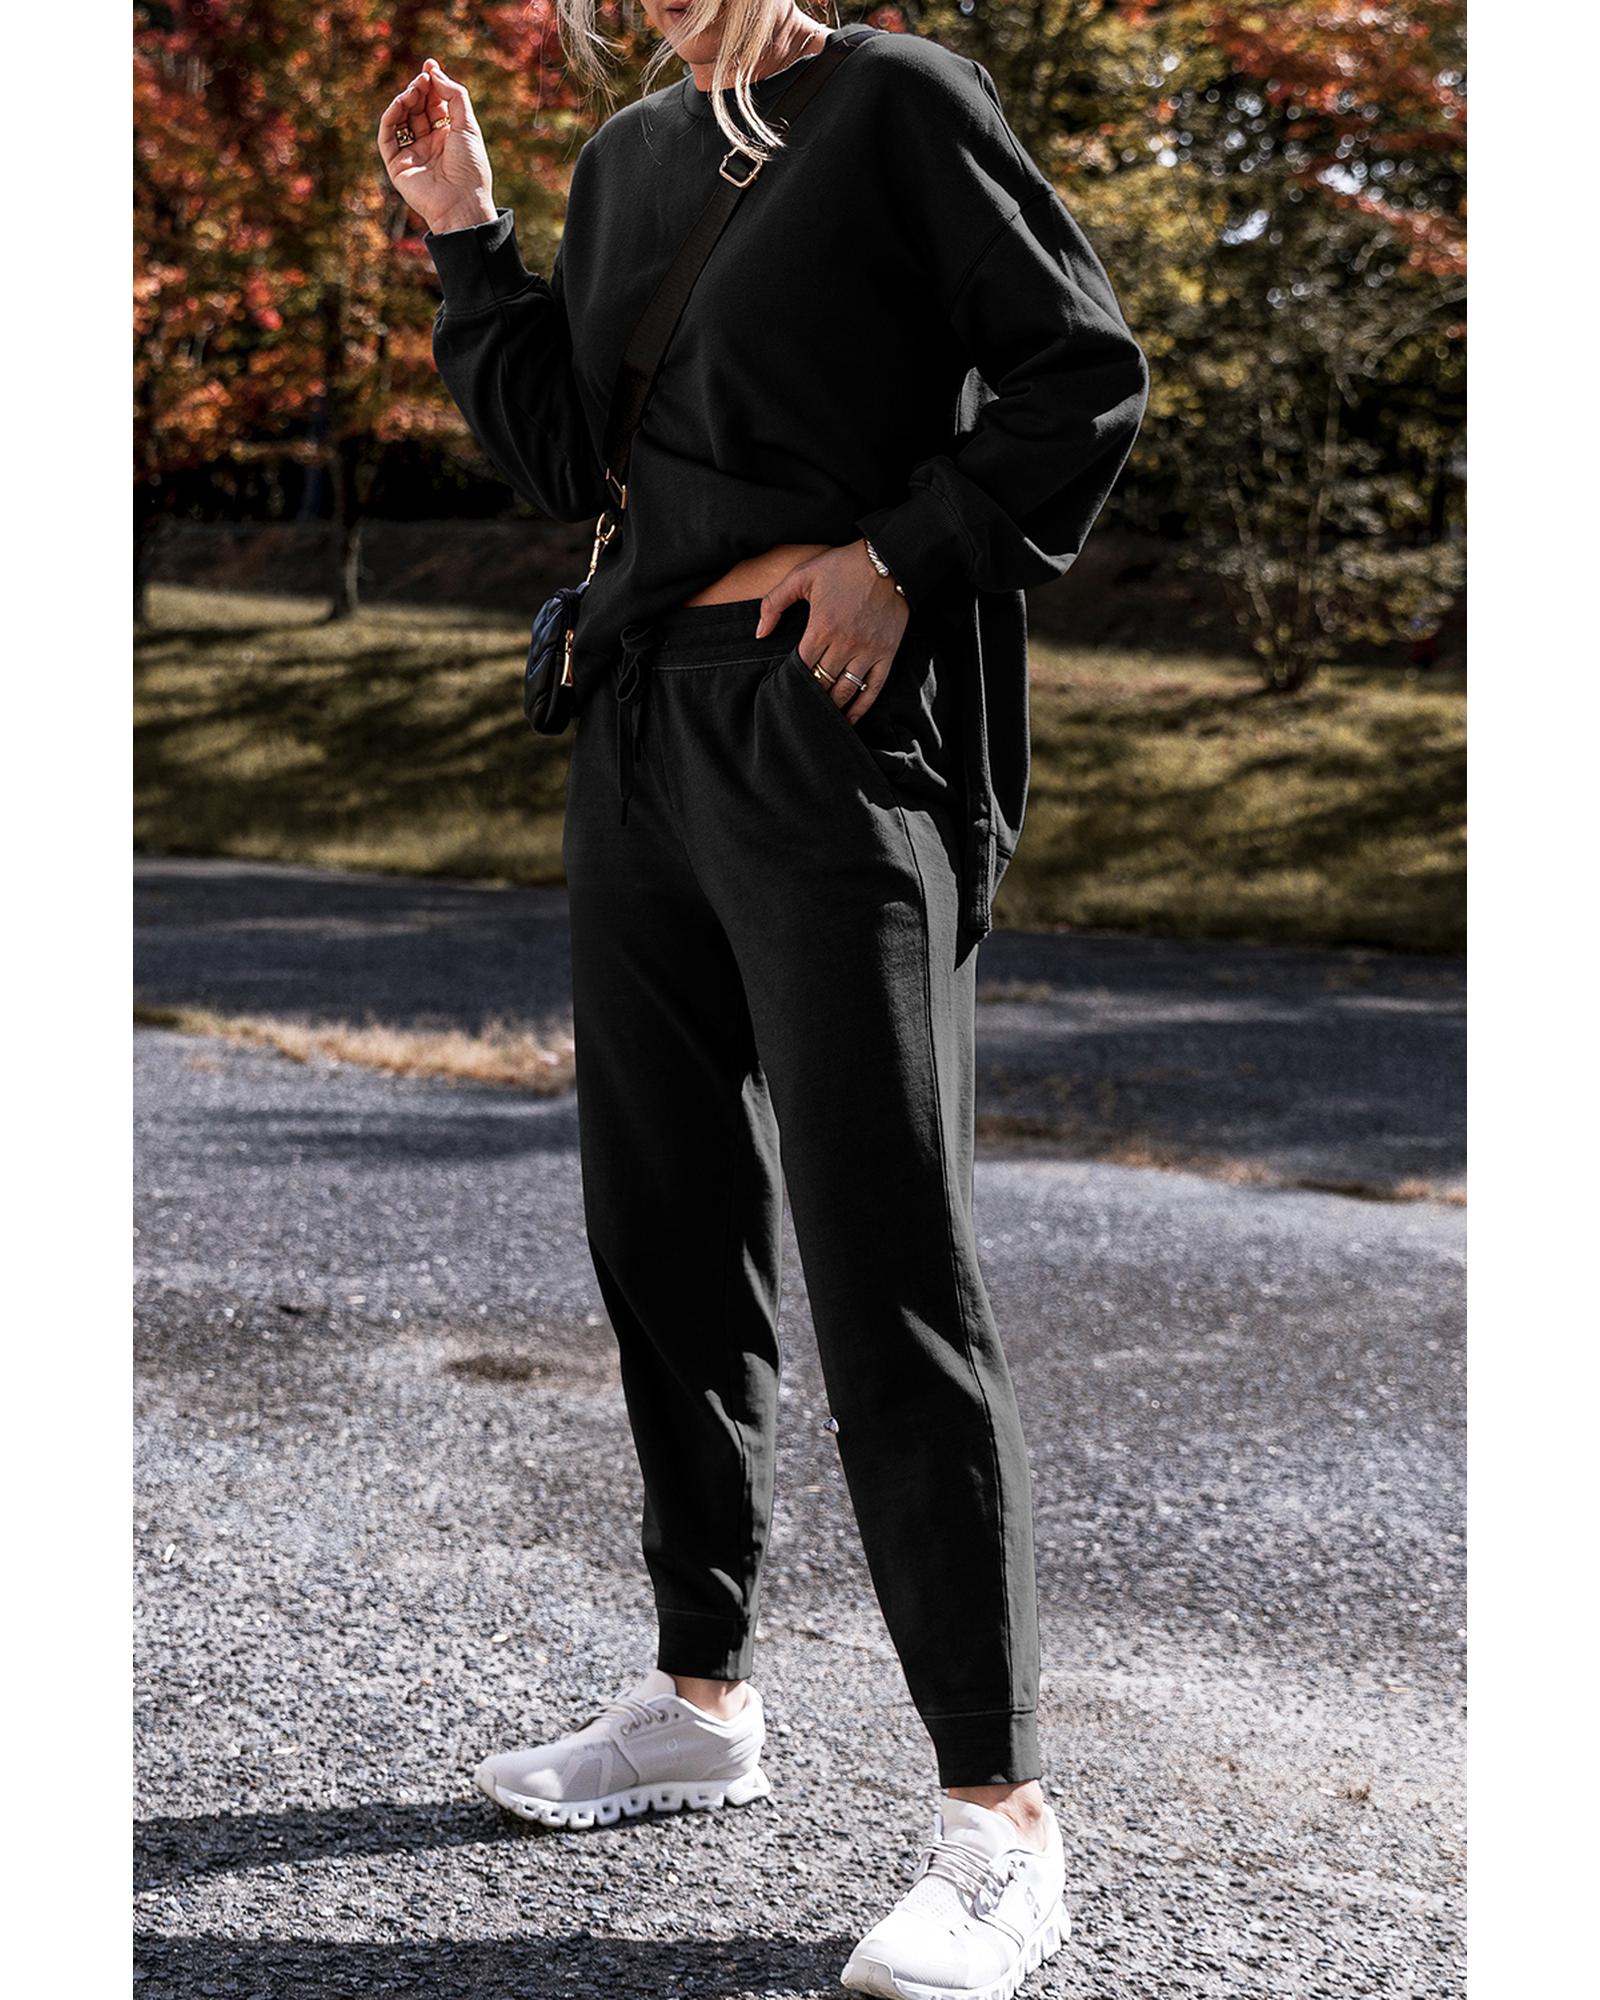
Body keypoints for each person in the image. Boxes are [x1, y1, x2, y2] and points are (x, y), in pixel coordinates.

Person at [378, 7, 1148, 1994]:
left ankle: (999, 1818)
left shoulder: (897, 103)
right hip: (640, 723)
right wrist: (465, 234)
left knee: (888, 1253)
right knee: (662, 1228)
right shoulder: (631, 154)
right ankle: (698, 1698)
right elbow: (570, 457)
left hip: (828, 728)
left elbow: (1080, 375)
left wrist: (904, 551)